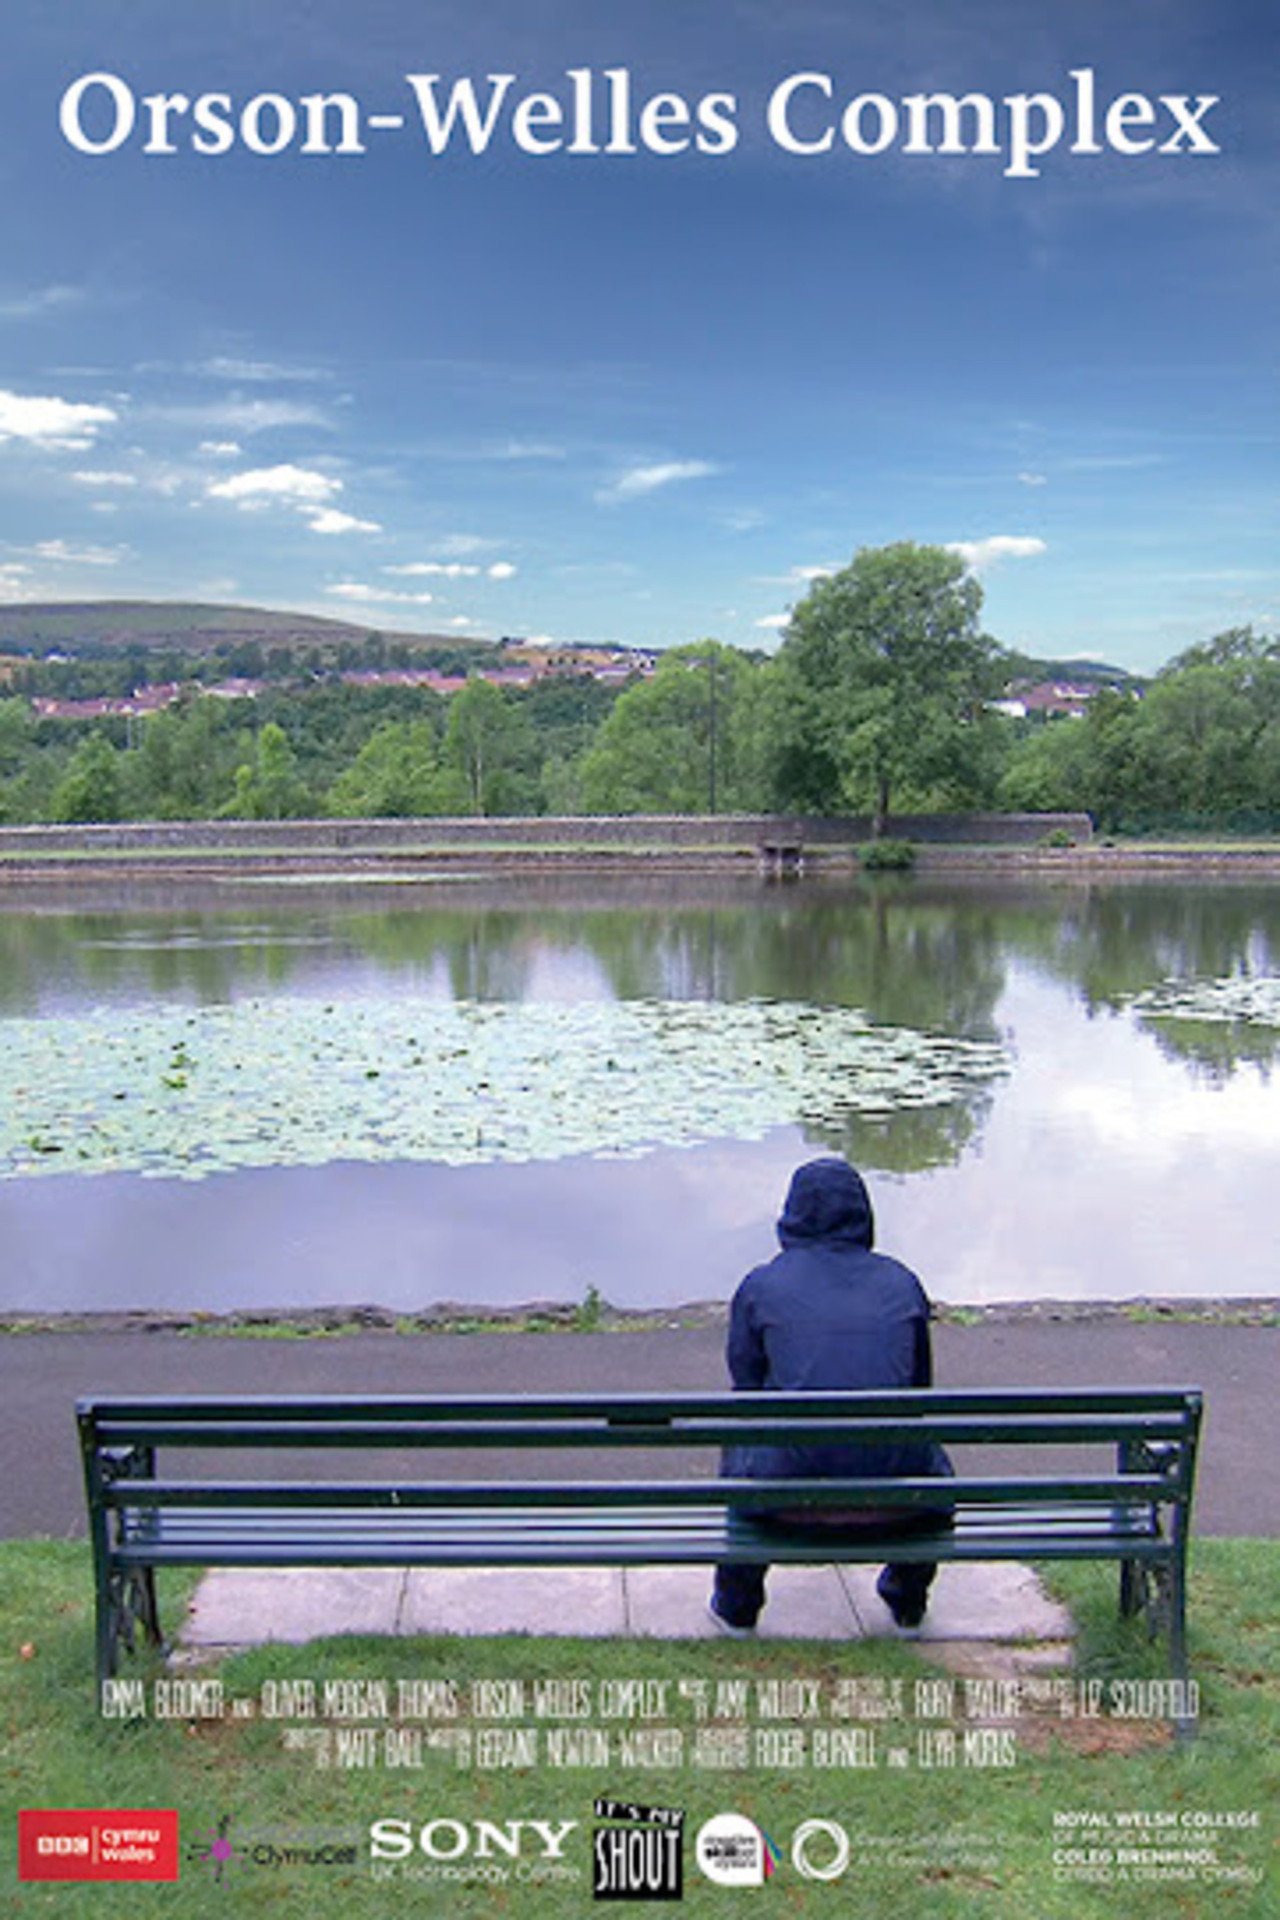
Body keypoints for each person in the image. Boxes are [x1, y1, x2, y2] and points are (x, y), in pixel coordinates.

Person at [708, 1155, 952, 1636]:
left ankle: (737, 1603)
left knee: (743, 1434)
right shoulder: (901, 1282)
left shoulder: (761, 1286)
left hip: (784, 1503)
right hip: (900, 1502)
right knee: (924, 1446)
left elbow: (746, 1387)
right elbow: (918, 1389)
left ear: (792, 1213)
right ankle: (906, 1599)